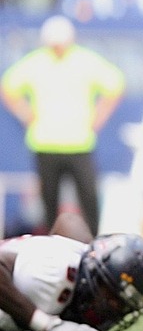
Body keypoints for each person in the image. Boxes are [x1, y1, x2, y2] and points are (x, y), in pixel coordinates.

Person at [2, 15, 125, 236]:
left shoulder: (84, 61)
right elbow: (8, 86)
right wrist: (25, 112)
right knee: (49, 201)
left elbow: (115, 84)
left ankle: (94, 242)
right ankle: (53, 244)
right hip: (45, 142)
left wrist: (100, 116)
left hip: (79, 142)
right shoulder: (36, 62)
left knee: (88, 197)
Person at [1, 211, 143, 331]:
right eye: (114, 299)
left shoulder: (84, 252)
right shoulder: (54, 275)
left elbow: (68, 219)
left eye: (125, 307)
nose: (116, 311)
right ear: (96, 276)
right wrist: (42, 322)